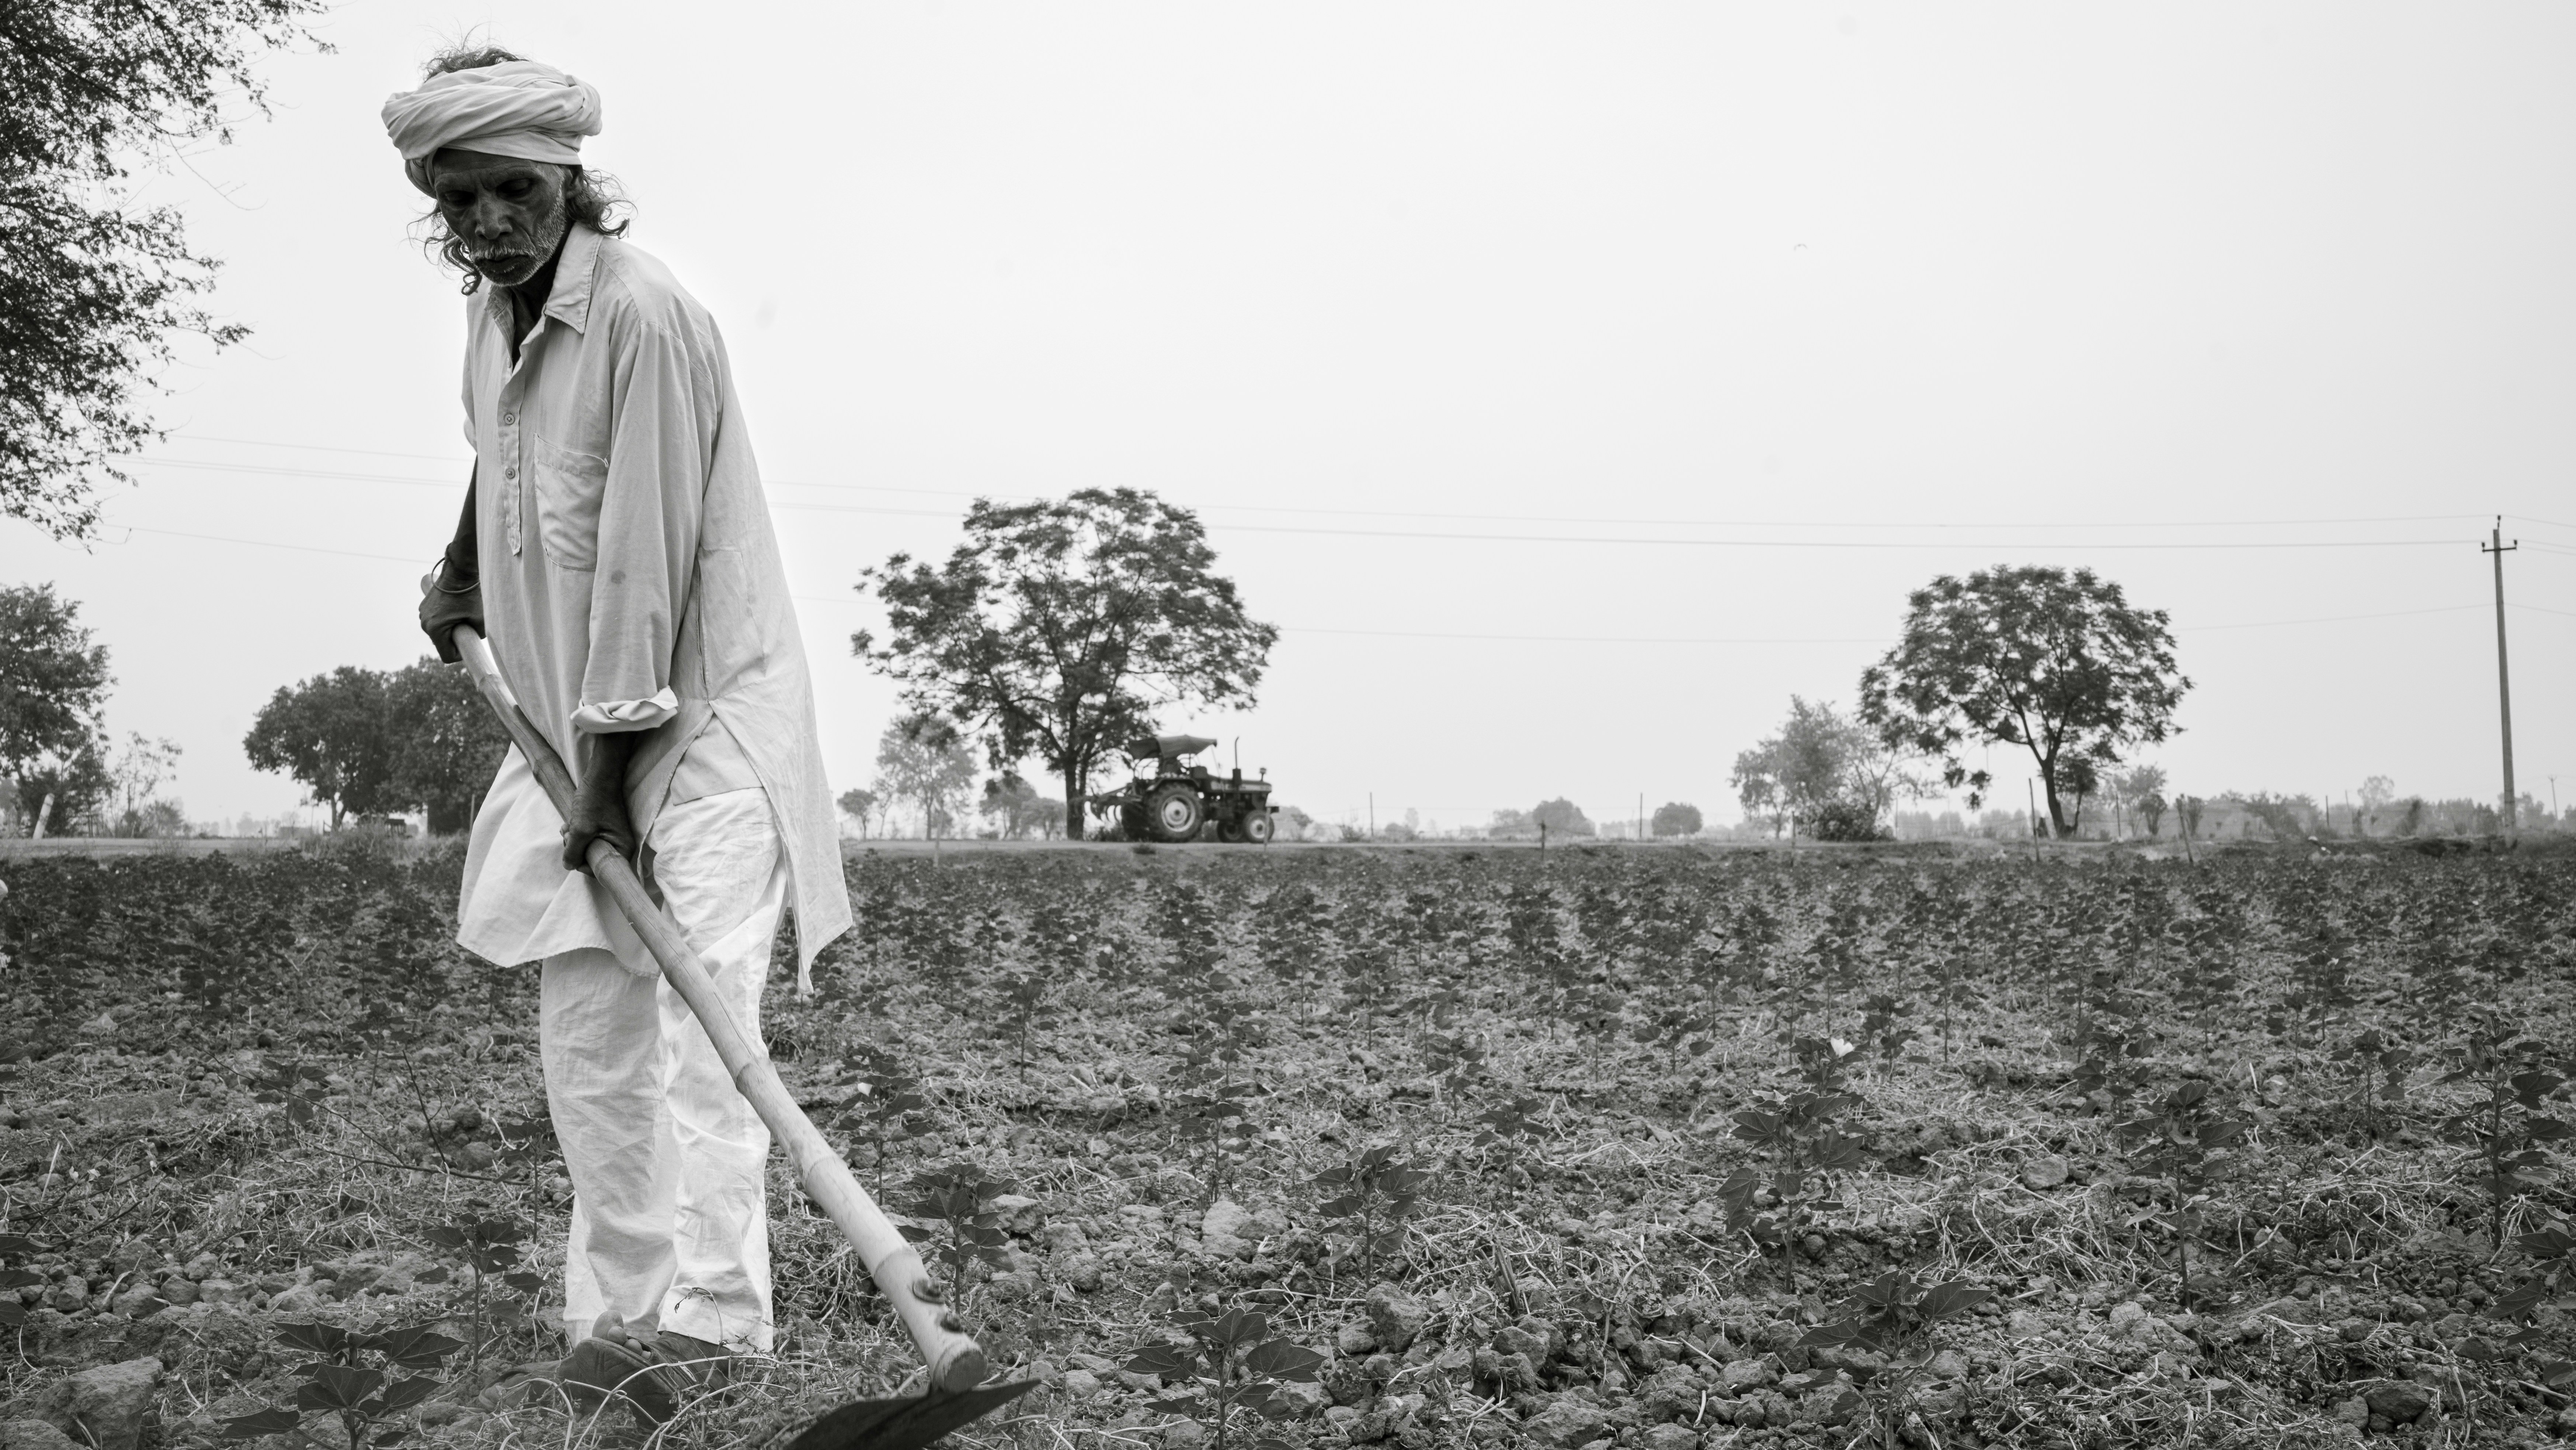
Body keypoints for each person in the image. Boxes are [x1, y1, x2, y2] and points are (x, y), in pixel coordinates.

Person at [383, 46, 851, 1420]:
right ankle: (621, 1326)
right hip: (564, 732)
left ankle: (709, 1337)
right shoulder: (490, 310)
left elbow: (645, 568)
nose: (486, 222)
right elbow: (501, 443)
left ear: (571, 182)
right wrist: (462, 565)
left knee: (706, 1051)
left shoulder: (646, 315)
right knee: (589, 1046)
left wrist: (604, 788)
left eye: (511, 191)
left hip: (694, 730)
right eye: (457, 199)